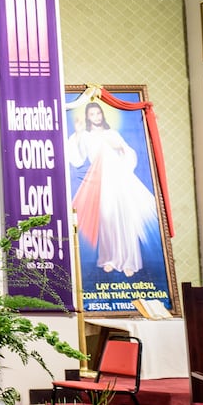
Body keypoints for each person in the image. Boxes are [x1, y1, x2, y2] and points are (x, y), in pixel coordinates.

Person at [65, 100, 159, 278]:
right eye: (92, 114)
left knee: (125, 218)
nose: (96, 117)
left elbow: (129, 153)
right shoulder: (85, 136)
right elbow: (77, 159)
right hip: (101, 181)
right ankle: (109, 258)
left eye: (98, 113)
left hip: (120, 178)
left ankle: (129, 261)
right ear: (87, 117)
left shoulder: (112, 133)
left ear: (102, 115)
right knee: (107, 218)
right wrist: (77, 134)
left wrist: (121, 148)